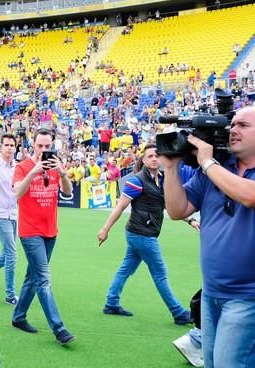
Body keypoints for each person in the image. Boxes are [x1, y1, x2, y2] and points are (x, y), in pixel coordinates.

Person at [163, 105, 255, 368]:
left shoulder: (212, 168)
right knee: (212, 364)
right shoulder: (216, 171)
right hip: (212, 292)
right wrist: (171, 168)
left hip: (248, 297)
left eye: (243, 125)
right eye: (232, 124)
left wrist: (206, 161)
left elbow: (249, 196)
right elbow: (177, 210)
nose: (233, 130)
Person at [97, 144, 193, 324]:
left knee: (126, 269)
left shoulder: (162, 179)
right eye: (150, 156)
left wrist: (190, 220)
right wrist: (105, 229)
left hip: (139, 233)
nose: (154, 158)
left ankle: (111, 303)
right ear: (143, 160)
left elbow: (168, 204)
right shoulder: (136, 180)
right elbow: (121, 206)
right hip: (142, 235)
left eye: (157, 155)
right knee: (160, 274)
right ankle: (178, 313)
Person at [11, 128, 76, 345]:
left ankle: (18, 317)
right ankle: (59, 328)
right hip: (30, 232)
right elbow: (17, 194)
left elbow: (67, 193)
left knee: (33, 277)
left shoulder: (57, 166)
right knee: (44, 279)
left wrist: (63, 172)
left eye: (48, 146)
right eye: (40, 146)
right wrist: (34, 171)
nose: (44, 150)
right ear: (33, 145)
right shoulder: (22, 167)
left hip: (51, 230)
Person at [0, 134, 20, 305]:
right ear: (1, 147)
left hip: (13, 213)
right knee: (12, 255)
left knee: (6, 254)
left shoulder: (17, 167)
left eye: (12, 145)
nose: (9, 148)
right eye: (6, 144)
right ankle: (10, 295)